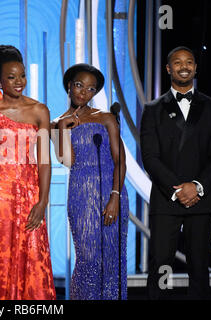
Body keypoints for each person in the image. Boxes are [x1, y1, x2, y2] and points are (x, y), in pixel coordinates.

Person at [0, 45, 56, 300]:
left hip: (30, 197)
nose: (19, 82)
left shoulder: (40, 111)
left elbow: (44, 161)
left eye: (22, 75)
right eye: (11, 77)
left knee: (35, 260)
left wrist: (43, 201)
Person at [140, 46, 211, 299]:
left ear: (196, 68)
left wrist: (197, 186)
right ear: (168, 69)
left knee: (199, 266)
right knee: (161, 265)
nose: (184, 66)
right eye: (177, 62)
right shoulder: (153, 109)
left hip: (202, 197)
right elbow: (150, 157)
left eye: (189, 62)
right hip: (167, 198)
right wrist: (179, 189)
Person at [51, 63, 129, 300]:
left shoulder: (105, 118)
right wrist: (62, 129)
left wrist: (114, 197)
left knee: (112, 258)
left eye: (90, 89)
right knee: (88, 258)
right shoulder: (56, 123)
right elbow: (67, 161)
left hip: (111, 192)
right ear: (69, 86)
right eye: (79, 85)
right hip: (81, 195)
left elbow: (120, 162)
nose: (83, 92)